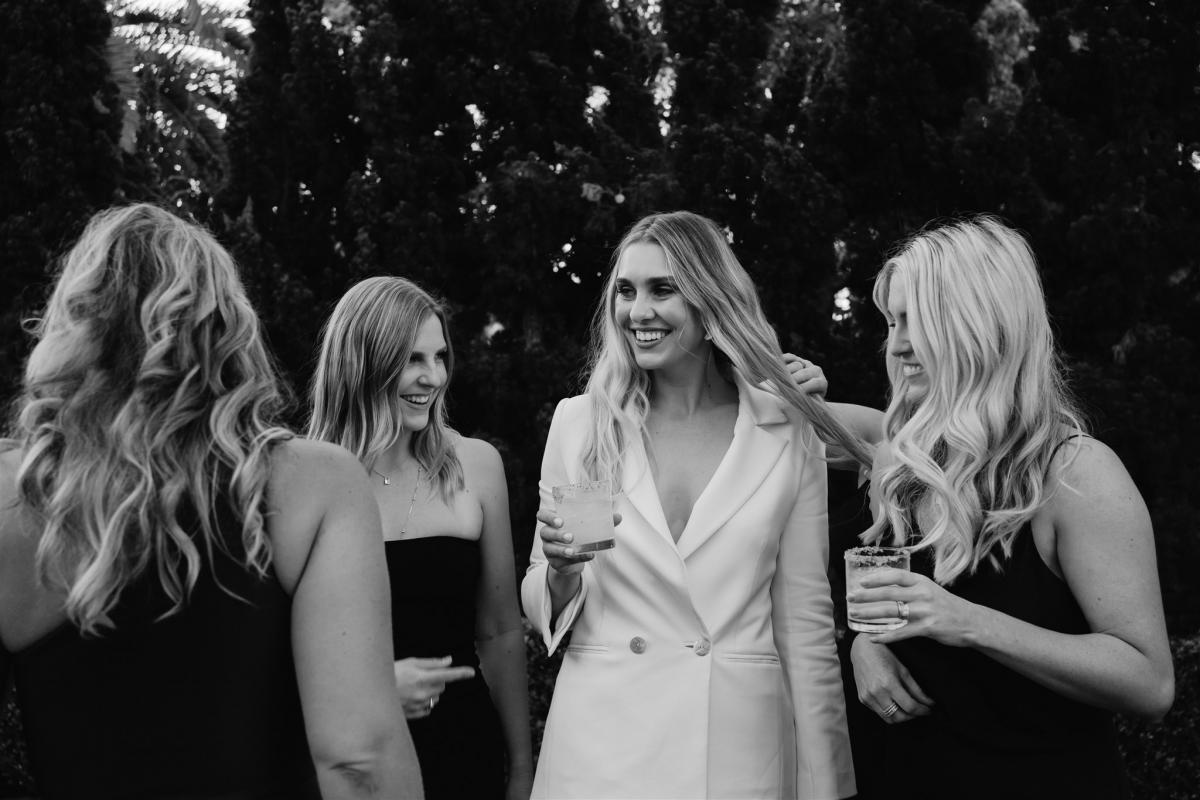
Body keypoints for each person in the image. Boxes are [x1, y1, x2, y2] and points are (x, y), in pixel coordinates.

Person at [0, 204, 422, 799]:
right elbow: (360, 761)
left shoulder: (15, 497)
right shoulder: (314, 485)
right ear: (229, 328)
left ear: (75, 327)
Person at [521, 210, 872, 800]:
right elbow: (544, 600)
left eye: (664, 290)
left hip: (738, 757)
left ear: (710, 301)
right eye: (626, 292)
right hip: (601, 751)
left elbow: (806, 624)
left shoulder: (785, 428)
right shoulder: (584, 426)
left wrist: (827, 783)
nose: (638, 313)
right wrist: (560, 571)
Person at [828, 216, 1174, 799]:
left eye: (918, 321)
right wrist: (866, 643)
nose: (898, 344)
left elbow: (1147, 682)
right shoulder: (902, 463)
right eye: (892, 322)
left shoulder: (1074, 472)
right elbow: (753, 426)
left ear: (981, 324)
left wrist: (966, 622)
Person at [309, 276, 532, 800]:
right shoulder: (305, 480)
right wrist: (375, 691)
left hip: (464, 751)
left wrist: (522, 768)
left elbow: (499, 632)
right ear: (363, 364)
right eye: (412, 359)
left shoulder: (476, 466)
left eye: (440, 357)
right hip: (350, 761)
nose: (432, 377)